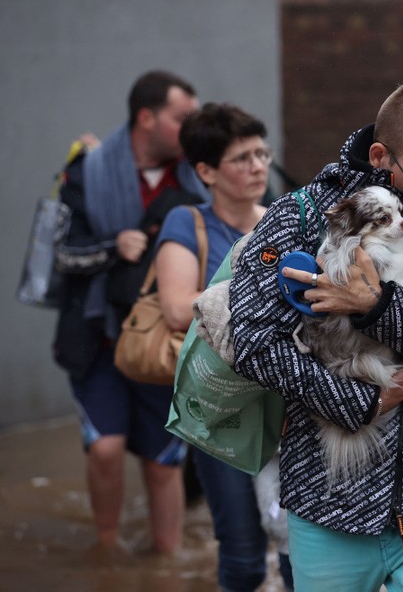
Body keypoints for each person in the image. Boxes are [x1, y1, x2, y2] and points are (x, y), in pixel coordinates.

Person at [227, 76, 403, 591]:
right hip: (327, 500)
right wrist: (354, 402)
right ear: (380, 156)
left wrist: (377, 306)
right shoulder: (298, 216)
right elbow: (251, 341)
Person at [52, 70, 208, 553]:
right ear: (147, 118)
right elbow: (61, 254)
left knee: (163, 464)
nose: (192, 128)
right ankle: (106, 553)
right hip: (100, 336)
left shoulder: (202, 175)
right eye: (183, 118)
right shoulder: (86, 172)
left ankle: (166, 564)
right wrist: (111, 247)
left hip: (165, 344)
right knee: (105, 448)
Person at [155, 103, 293, 590]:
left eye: (262, 153)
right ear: (206, 171)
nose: (258, 167)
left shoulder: (286, 218)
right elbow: (177, 308)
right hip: (223, 408)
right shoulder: (186, 223)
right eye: (242, 158)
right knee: (242, 554)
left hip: (289, 403)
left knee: (301, 548)